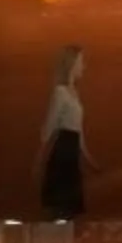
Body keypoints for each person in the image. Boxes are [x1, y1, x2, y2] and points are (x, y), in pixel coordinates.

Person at [40, 47, 92, 221]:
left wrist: (87, 156)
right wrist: (42, 153)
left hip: (71, 149)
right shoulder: (60, 92)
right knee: (63, 203)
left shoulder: (74, 94)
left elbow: (79, 130)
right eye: (80, 62)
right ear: (71, 64)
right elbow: (50, 125)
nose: (83, 66)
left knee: (71, 203)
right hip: (62, 149)